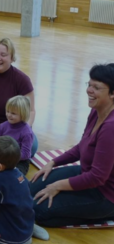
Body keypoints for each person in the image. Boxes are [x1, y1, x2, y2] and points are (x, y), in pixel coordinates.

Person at [30, 63, 114, 227]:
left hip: (105, 194)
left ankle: (105, 214)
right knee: (32, 186)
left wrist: (57, 186)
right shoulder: (96, 111)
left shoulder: (111, 127)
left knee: (38, 210)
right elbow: (82, 147)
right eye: (89, 84)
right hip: (86, 174)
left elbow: (97, 177)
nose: (89, 90)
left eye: (96, 87)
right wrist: (52, 163)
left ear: (113, 94)